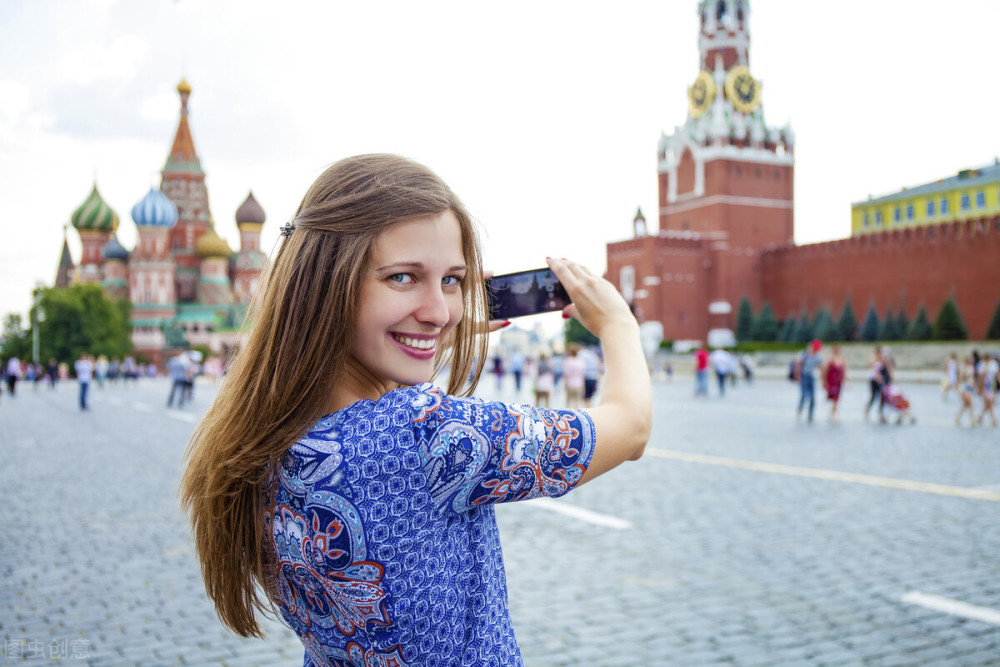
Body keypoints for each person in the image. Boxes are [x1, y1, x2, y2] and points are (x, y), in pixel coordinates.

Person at [179, 154, 652, 664]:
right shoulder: (426, 436)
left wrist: (424, 334)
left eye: (452, 280)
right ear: (327, 285)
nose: (440, 310)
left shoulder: (265, 430)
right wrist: (619, 325)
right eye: (403, 278)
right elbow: (630, 427)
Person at [796, 339, 823, 423]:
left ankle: (810, 415)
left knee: (812, 397)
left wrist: (822, 378)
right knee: (804, 395)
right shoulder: (804, 354)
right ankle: (800, 410)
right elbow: (799, 365)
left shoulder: (817, 356)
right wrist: (798, 376)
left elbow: (821, 367)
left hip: (811, 377)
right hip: (804, 376)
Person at [822, 343, 847, 422]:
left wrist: (846, 380)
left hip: (839, 381)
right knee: (834, 398)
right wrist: (824, 381)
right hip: (832, 381)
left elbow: (844, 371)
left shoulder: (841, 359)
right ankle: (836, 415)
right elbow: (825, 371)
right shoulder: (830, 359)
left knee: (837, 398)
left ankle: (830, 414)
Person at [864, 345, 887, 423]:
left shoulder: (882, 360)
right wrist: (878, 377)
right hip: (873, 380)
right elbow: (873, 370)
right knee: (873, 397)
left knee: (882, 397)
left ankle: (880, 413)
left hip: (880, 381)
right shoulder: (873, 359)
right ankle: (867, 409)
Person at [976, 352, 998, 427]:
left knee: (989, 404)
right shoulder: (982, 365)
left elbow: (996, 375)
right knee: (989, 404)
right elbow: (981, 377)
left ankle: (981, 417)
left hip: (990, 385)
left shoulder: (992, 365)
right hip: (986, 386)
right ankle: (992, 420)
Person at [956, 355, 978, 427]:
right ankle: (971, 419)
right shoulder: (962, 367)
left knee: (968, 403)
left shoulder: (971, 367)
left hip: (969, 387)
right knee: (969, 403)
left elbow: (972, 377)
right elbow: (961, 378)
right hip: (964, 387)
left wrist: (975, 386)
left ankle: (959, 417)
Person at [562, 344, 586, 409]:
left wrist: (565, 384)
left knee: (568, 403)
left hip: (570, 383)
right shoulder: (580, 362)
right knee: (577, 403)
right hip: (579, 384)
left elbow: (566, 374)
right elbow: (582, 374)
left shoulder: (568, 361)